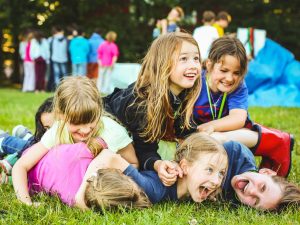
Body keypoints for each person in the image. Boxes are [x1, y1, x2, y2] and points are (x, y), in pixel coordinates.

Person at [12, 76, 138, 206]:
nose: (84, 130)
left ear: (99, 110)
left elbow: (133, 164)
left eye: (90, 121)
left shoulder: (113, 132)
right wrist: (26, 202)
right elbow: (21, 165)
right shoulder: (58, 131)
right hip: (42, 160)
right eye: (76, 123)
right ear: (60, 115)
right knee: (23, 147)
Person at [104, 32, 201, 185]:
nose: (193, 65)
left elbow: (185, 131)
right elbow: (144, 149)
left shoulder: (182, 94)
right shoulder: (143, 104)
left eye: (196, 58)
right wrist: (158, 165)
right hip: (107, 124)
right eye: (183, 59)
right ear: (163, 64)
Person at [193, 36, 294, 177]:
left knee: (215, 138)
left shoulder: (238, 86)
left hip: (237, 133)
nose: (229, 78)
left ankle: (278, 141)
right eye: (224, 70)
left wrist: (210, 127)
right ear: (209, 65)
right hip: (205, 137)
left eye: (236, 73)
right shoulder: (194, 82)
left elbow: (238, 118)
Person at [12, 141, 150, 210]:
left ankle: (8, 142)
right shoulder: (71, 199)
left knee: (18, 145)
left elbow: (107, 153)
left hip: (31, 160)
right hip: (35, 157)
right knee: (21, 144)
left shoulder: (88, 150)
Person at [222, 140, 300, 211]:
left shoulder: (232, 202)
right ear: (266, 172)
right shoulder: (234, 152)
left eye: (255, 201)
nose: (251, 191)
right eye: (263, 187)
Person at [0, 97, 54, 183]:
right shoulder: (48, 138)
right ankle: (3, 141)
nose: (51, 132)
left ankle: (25, 135)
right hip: (35, 145)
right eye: (46, 128)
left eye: (55, 127)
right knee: (30, 146)